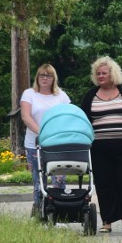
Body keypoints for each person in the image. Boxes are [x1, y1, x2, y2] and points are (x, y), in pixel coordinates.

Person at [79, 56, 122, 233]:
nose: (100, 76)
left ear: (113, 74)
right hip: (99, 149)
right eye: (98, 73)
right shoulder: (91, 95)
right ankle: (107, 221)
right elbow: (83, 120)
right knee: (104, 184)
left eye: (104, 73)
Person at [20, 63, 71, 215]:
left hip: (57, 143)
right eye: (42, 75)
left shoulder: (61, 96)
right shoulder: (29, 94)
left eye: (48, 75)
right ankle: (39, 211)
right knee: (38, 180)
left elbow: (68, 116)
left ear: (53, 78)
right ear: (37, 77)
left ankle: (59, 212)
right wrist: (42, 133)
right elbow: (26, 117)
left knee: (59, 179)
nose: (44, 78)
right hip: (34, 144)